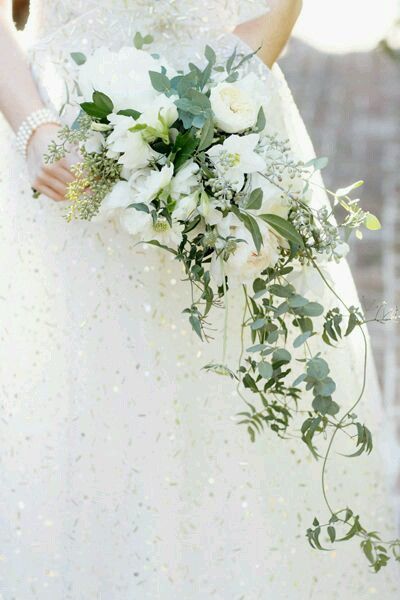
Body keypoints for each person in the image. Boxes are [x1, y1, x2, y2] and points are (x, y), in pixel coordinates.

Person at [0, 1, 398, 597]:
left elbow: (273, 23)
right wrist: (34, 127)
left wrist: (217, 129)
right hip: (65, 148)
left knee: (229, 410)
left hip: (226, 142)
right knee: (76, 413)